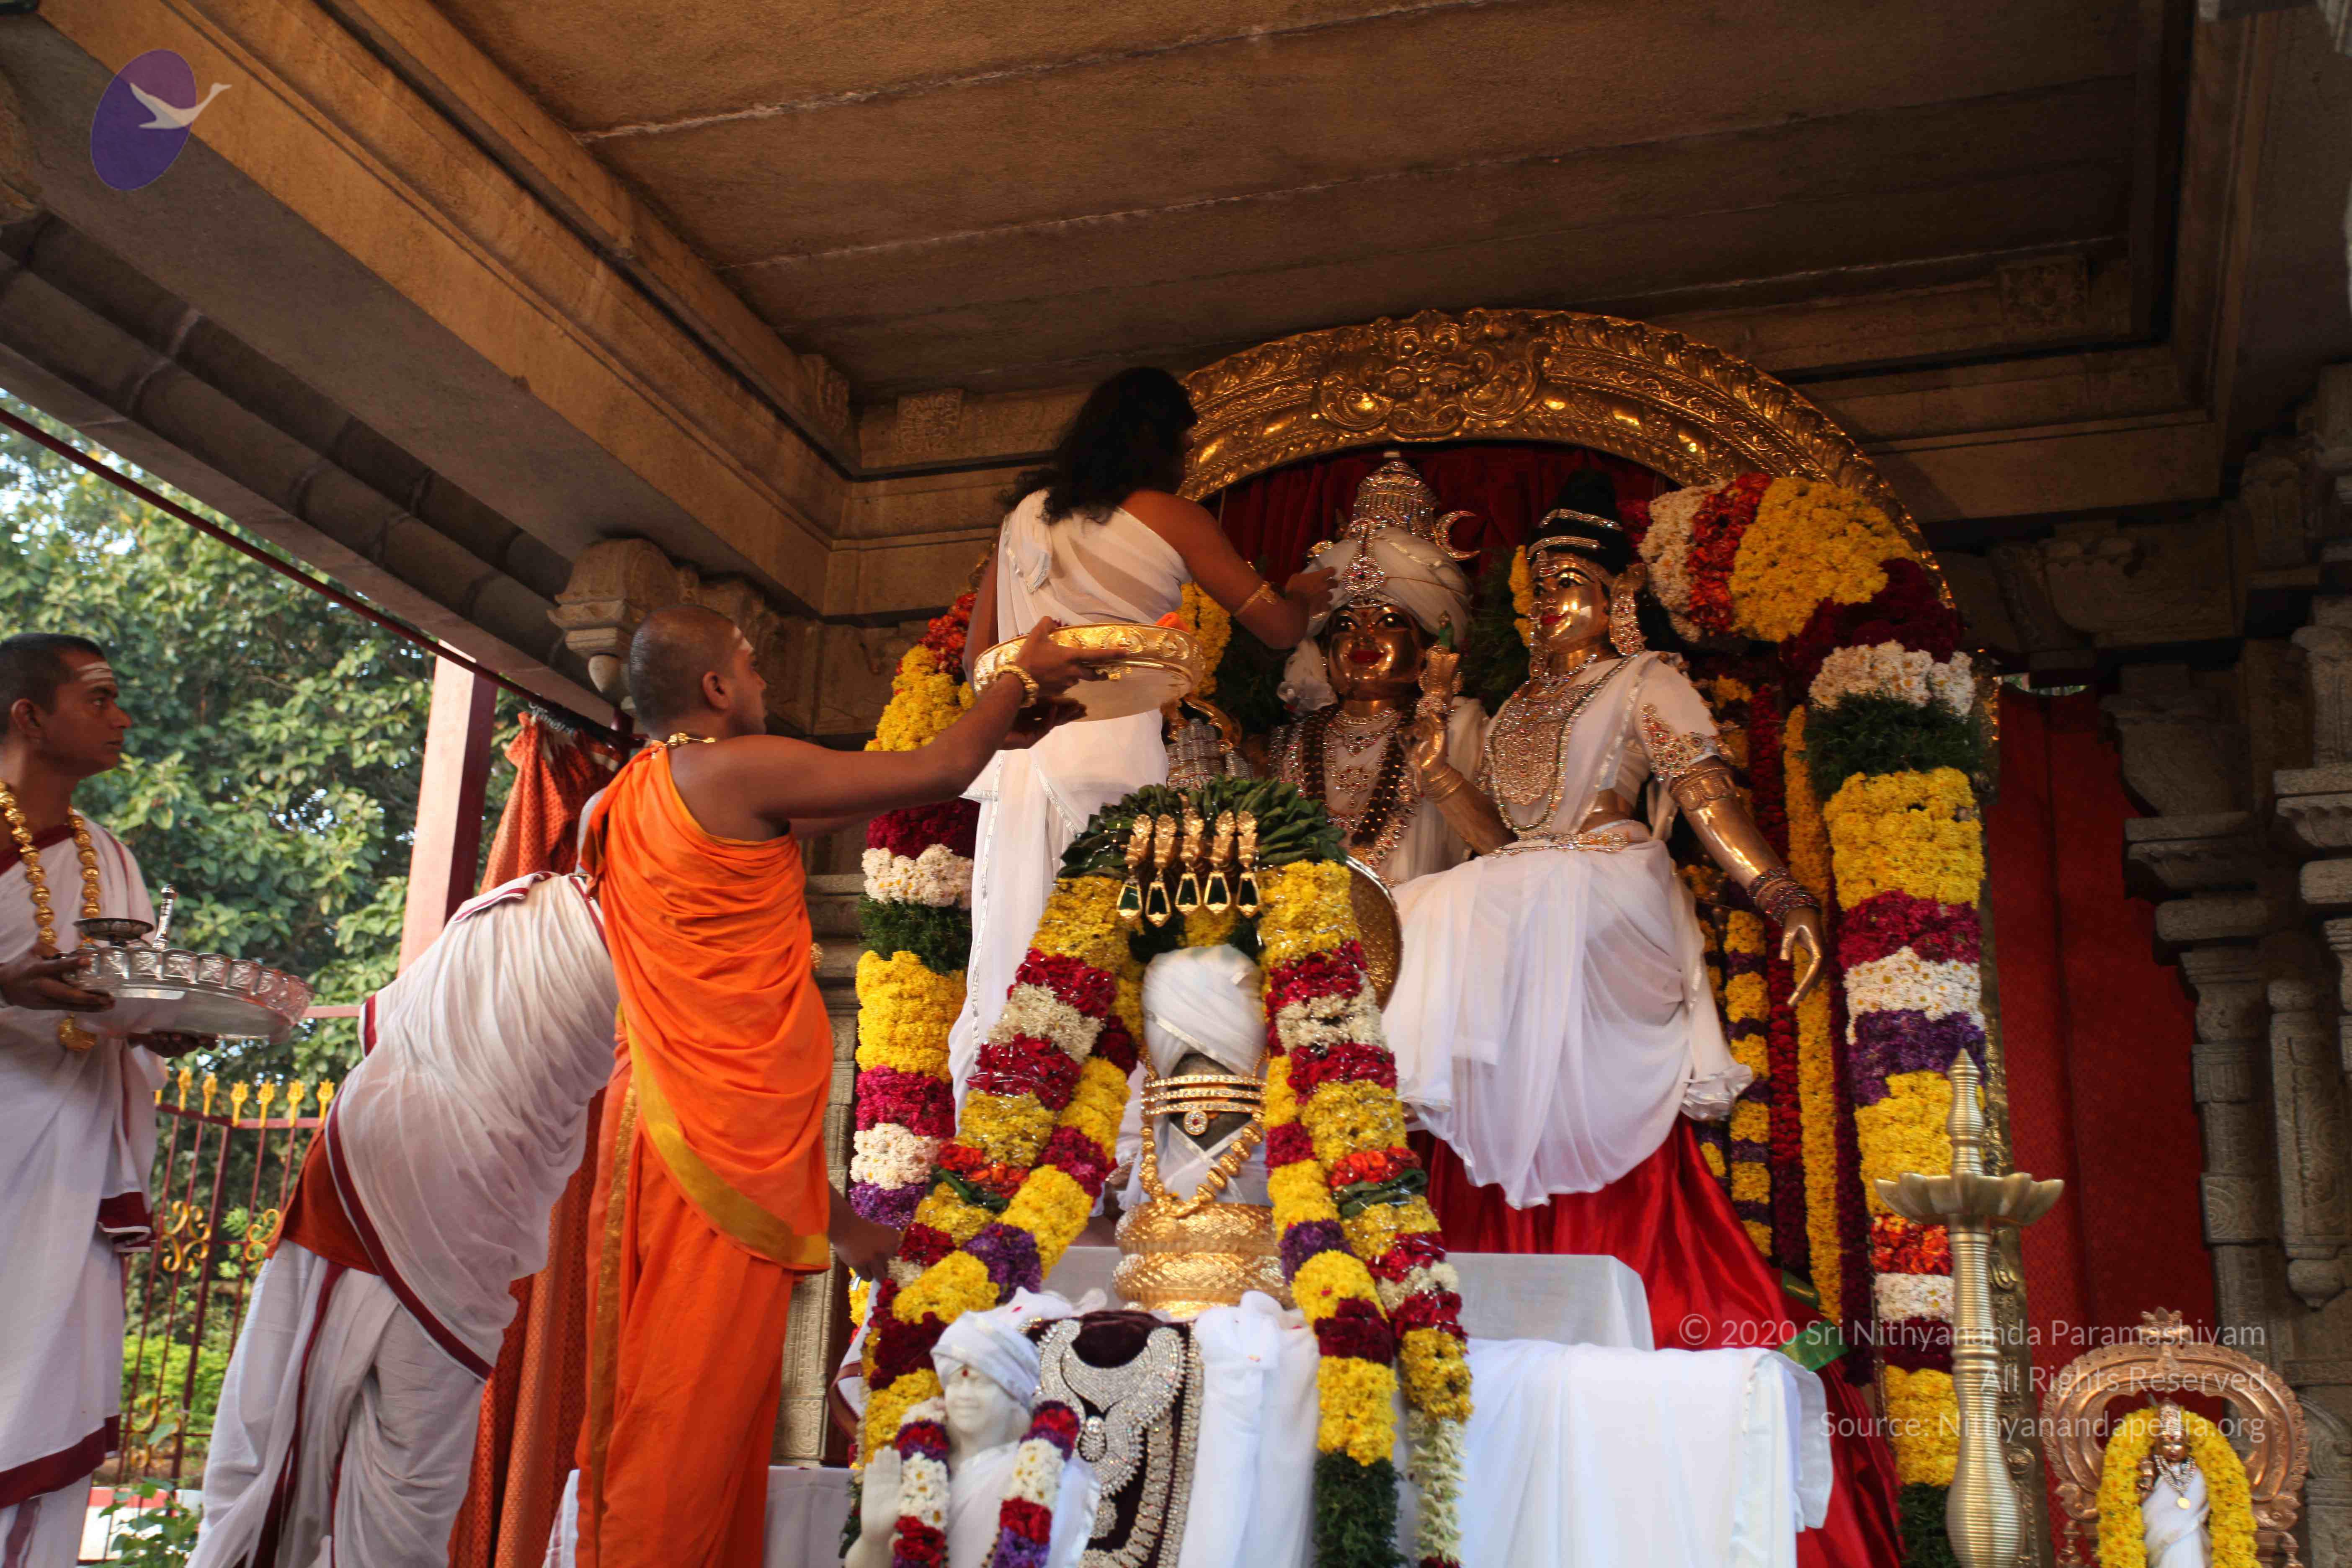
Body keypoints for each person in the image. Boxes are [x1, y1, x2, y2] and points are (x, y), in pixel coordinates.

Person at [1383, 472, 1902, 1568]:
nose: (1549, 605)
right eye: (1537, 588)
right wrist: (1437, 779)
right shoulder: (1513, 708)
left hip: (1609, 894)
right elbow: (1500, 844)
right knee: (1428, 903)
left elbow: (1704, 796)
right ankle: (1493, 1261)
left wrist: (1781, 894)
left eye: (1570, 583)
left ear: (1621, 595)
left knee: (1466, 905)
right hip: (1529, 898)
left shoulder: (1644, 680)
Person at [573, 603, 1100, 1568]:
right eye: (751, 665)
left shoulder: (623, 799)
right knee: (689, 1420)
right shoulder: (731, 769)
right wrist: (1019, 675)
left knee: (675, 1400)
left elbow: (902, 776)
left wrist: (994, 733)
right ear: (717, 688)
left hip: (661, 1130)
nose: (765, 681)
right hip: (712, 1150)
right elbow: (932, 770)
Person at [190, 871, 617, 1568]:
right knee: (287, 1460)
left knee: (409, 1490)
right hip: (378, 1198)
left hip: (475, 1216)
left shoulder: (565, 916)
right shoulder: (536, 911)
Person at [950, 367, 1331, 1099]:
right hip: (1117, 746)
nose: (1186, 462)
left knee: (1016, 940)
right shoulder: (1172, 515)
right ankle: (1113, 1125)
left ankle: (1011, 1104)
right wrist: (1305, 593)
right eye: (1184, 445)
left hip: (1022, 754)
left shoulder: (1024, 517)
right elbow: (1278, 627)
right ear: (1162, 443)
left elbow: (978, 662)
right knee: (1116, 943)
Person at [0, 633, 202, 1566]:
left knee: (52, 1380)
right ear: (30, 716)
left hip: (71, 1161)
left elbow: (120, 1002)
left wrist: (159, 1026)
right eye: (99, 697)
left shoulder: (108, 856)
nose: (123, 718)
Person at [1268, 454, 1485, 887]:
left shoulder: (1460, 724)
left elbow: (1503, 850)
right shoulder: (1288, 743)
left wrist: (1436, 771)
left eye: (1388, 622)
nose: (1364, 639)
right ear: (1324, 651)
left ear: (1425, 647)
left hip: (1426, 919)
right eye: (1346, 626)